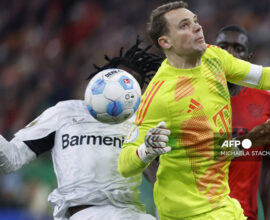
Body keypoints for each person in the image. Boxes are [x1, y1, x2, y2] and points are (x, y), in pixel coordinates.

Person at [117, 1, 270, 219]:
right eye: (184, 25)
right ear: (166, 42)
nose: (197, 28)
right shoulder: (160, 94)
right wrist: (146, 150)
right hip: (188, 213)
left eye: (196, 21)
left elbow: (263, 76)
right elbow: (125, 163)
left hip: (223, 205)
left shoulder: (214, 57)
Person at [0, 39, 161, 220]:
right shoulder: (65, 112)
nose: (121, 88)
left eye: (132, 84)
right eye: (119, 78)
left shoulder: (142, 123)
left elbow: (161, 180)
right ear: (100, 78)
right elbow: (11, 159)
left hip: (131, 214)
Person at [215, 25, 270, 220]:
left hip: (244, 215)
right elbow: (202, 154)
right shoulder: (193, 98)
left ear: (248, 58)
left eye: (238, 48)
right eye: (223, 46)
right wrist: (247, 141)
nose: (229, 53)